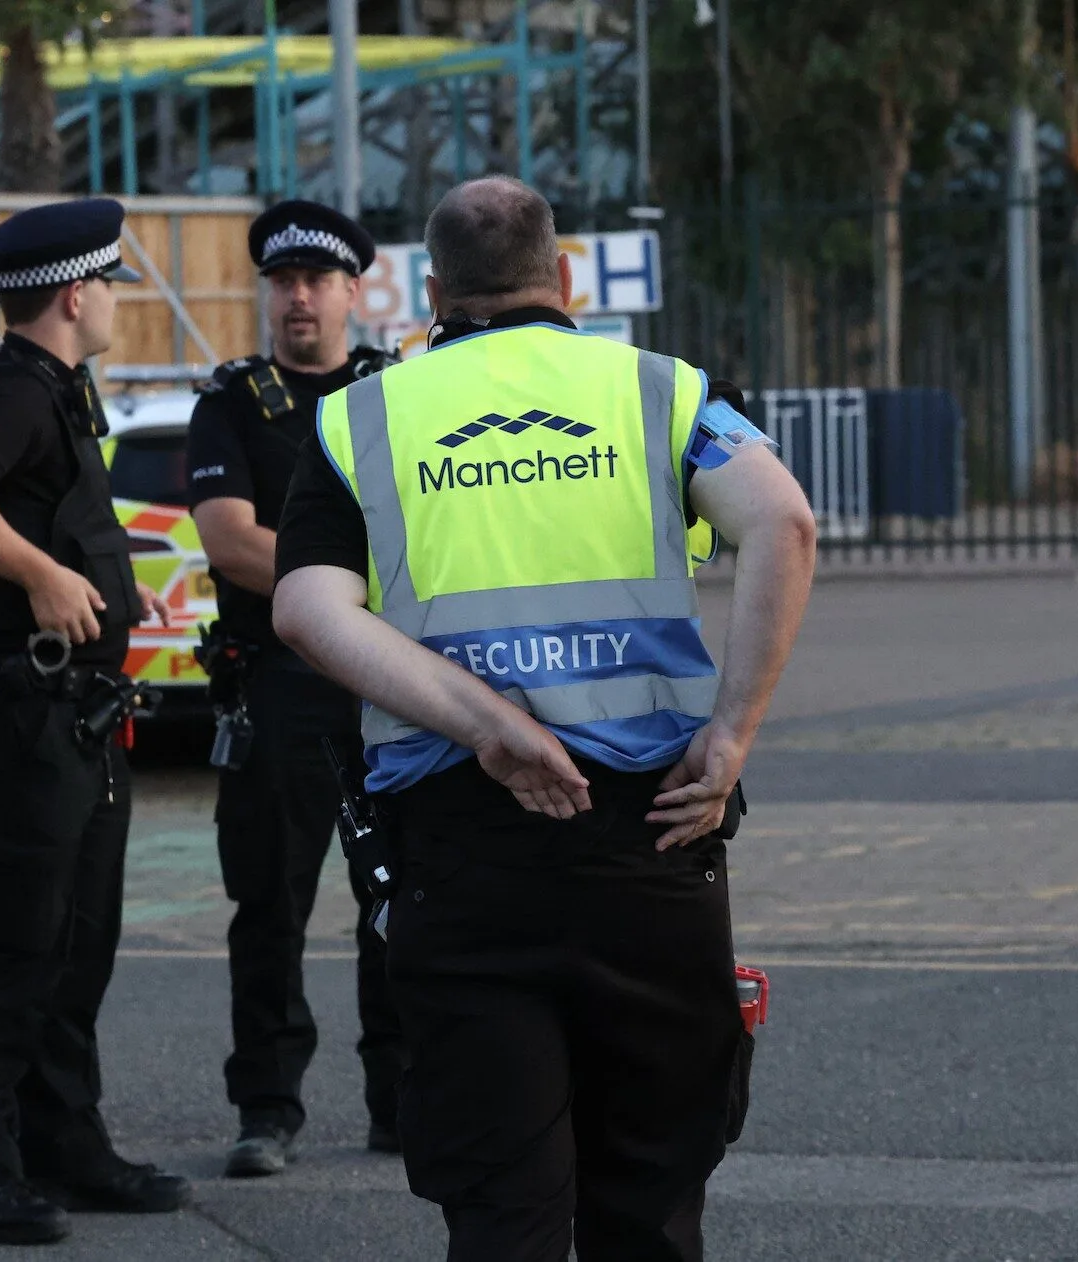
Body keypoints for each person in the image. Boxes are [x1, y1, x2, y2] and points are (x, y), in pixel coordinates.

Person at [270, 176, 818, 1261]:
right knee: (650, 1202)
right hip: (655, 836)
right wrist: (730, 731)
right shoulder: (658, 390)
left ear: (429, 287)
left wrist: (484, 722)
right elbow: (785, 525)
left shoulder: (363, 416)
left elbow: (304, 610)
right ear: (559, 275)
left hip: (463, 850)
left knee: (503, 1210)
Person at [0, 198, 188, 1246]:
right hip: (22, 721)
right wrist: (36, 578)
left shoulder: (59, 393)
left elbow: (54, 519)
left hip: (73, 716)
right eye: (108, 282)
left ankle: (63, 1141)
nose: (113, 298)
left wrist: (113, 593)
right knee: (12, 948)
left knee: (77, 945)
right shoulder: (16, 392)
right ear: (77, 294)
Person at [185, 198, 405, 1177]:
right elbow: (229, 540)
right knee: (269, 902)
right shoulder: (232, 402)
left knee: (396, 895)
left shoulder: (394, 392)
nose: (299, 298)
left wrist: (326, 589)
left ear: (354, 291)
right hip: (277, 686)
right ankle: (264, 1108)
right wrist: (347, 586)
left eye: (317, 280)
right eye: (283, 282)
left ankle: (400, 1099)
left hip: (386, 684)